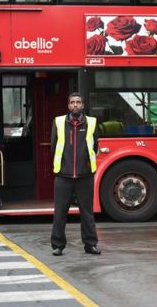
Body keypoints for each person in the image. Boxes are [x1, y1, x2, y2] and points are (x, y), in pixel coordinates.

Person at [50, 93, 100, 256]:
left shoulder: (92, 122)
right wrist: (63, 165)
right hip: (63, 176)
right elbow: (53, 147)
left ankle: (90, 244)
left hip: (84, 176)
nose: (75, 105)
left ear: (83, 105)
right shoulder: (58, 122)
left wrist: (85, 165)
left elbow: (95, 146)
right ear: (68, 105)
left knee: (87, 212)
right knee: (60, 213)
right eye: (72, 102)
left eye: (78, 102)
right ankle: (58, 245)